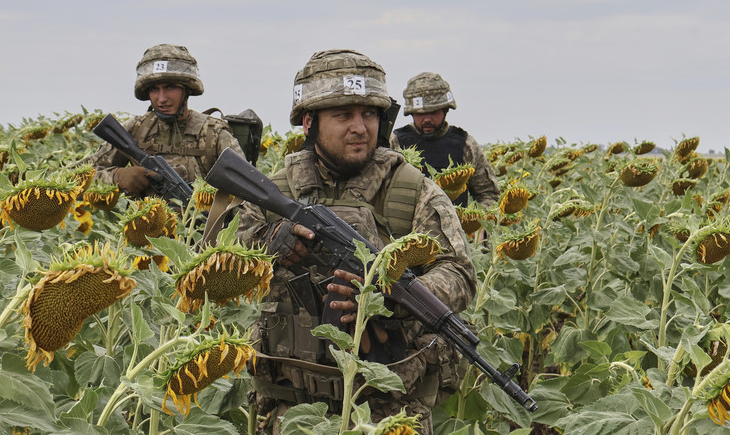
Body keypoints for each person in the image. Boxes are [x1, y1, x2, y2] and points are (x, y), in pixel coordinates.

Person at [233, 50, 476, 434]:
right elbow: (228, 268)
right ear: (309, 122)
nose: (360, 127)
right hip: (291, 409)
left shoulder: (412, 190)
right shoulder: (277, 190)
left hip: (387, 416)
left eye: (369, 114)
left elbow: (459, 274)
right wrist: (272, 242)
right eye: (343, 115)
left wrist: (389, 297)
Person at [88, 43, 245, 198]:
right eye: (154, 89)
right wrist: (117, 176)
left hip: (204, 223)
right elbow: (75, 180)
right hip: (142, 222)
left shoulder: (214, 135)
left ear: (187, 89)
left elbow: (247, 196)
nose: (161, 98)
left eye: (170, 87)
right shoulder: (135, 129)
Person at [390, 72, 499, 207]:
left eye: (434, 112)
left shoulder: (465, 145)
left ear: (445, 110)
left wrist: (480, 223)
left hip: (455, 227)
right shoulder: (395, 143)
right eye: (421, 114)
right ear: (411, 113)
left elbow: (488, 193)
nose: (427, 119)